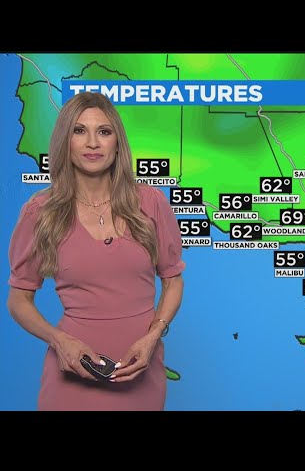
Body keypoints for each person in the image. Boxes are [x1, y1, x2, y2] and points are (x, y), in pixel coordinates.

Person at [6, 91, 186, 411]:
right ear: (65, 142)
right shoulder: (40, 213)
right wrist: (59, 340)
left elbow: (173, 280)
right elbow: (19, 298)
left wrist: (154, 336)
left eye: (104, 131)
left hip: (141, 374)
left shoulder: (151, 202)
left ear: (117, 143)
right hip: (71, 378)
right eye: (79, 131)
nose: (92, 143)